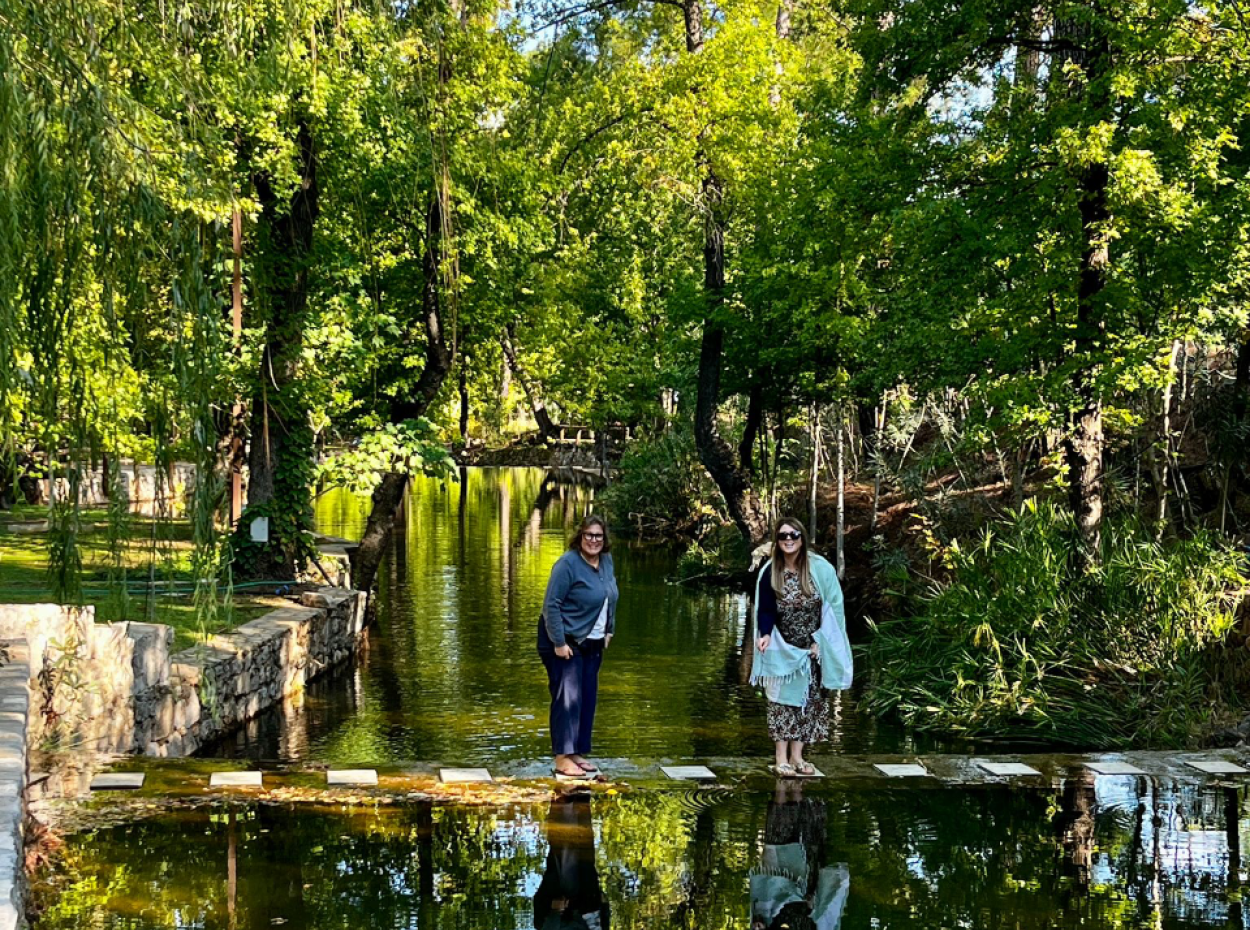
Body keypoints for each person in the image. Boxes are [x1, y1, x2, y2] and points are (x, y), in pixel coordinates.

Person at [750, 517, 852, 776]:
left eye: (793, 535)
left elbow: (833, 608)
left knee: (809, 701)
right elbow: (765, 609)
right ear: (777, 541)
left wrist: (822, 642)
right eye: (783, 535)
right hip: (783, 647)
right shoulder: (770, 571)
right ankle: (780, 758)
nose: (788, 539)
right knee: (781, 702)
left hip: (813, 648)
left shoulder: (821, 569)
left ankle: (798, 757)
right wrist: (765, 634)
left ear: (802, 538)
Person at [539, 514, 619, 778]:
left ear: (604, 539)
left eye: (598, 536)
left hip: (593, 642)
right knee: (567, 698)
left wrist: (609, 629)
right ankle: (562, 758)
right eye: (589, 535)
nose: (594, 540)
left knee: (586, 697)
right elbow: (551, 605)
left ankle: (577, 752)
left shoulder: (606, 561)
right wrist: (559, 642)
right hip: (565, 641)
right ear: (580, 536)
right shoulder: (567, 564)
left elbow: (610, 595)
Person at [751, 781, 849, 930]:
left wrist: (758, 924)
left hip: (777, 890)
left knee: (778, 836)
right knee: (801, 832)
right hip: (801, 887)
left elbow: (758, 923)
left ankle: (784, 783)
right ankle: (795, 784)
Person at [533, 793, 610, 929]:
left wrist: (555, 912)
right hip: (589, 902)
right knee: (585, 843)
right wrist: (604, 907)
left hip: (565, 902)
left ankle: (564, 799)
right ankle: (581, 796)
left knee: (566, 850)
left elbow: (543, 923)